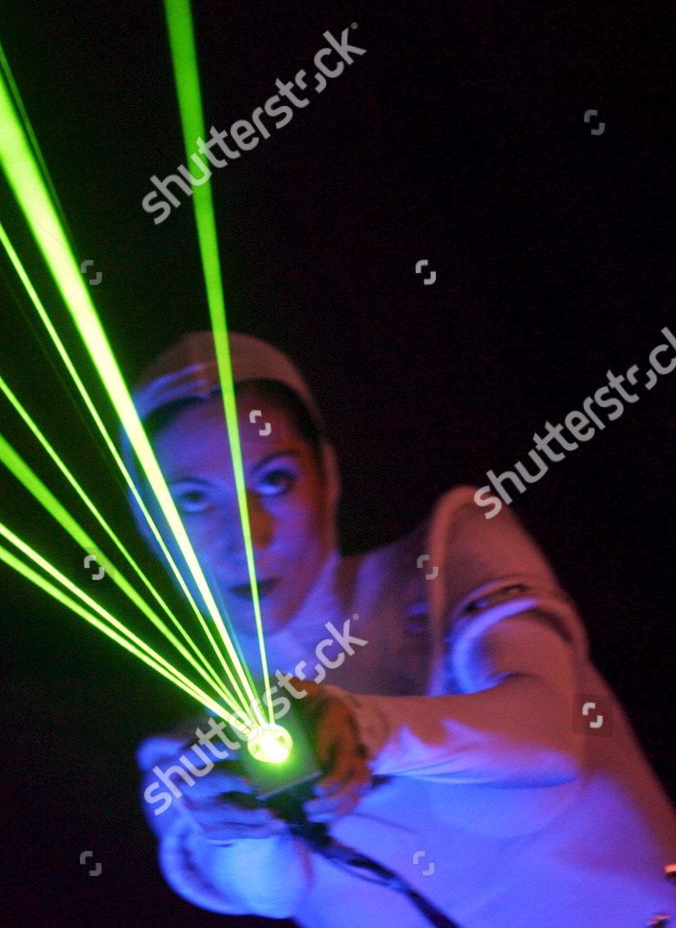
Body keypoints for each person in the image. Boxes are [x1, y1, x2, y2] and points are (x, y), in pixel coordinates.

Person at [126, 332, 676, 926]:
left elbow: (546, 734)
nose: (247, 535)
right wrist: (241, 822)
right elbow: (269, 893)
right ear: (150, 525)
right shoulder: (190, 761)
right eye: (192, 501)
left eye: (274, 480)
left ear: (327, 475)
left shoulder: (447, 557)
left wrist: (369, 727)